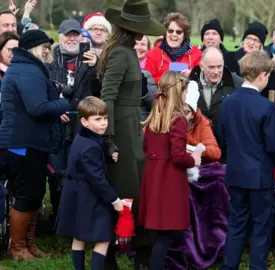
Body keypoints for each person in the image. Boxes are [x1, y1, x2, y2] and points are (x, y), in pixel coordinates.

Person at [99, 0, 165, 268]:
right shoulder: (120, 53)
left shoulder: (123, 50)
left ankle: (136, 252)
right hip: (122, 131)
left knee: (135, 190)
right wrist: (109, 137)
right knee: (128, 191)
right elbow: (108, 96)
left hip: (130, 126)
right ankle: (122, 253)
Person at [0, 29, 67, 260]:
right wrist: (62, 103)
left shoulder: (29, 68)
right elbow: (37, 108)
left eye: (49, 45)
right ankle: (17, 248)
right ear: (31, 48)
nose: (47, 49)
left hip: (31, 142)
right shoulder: (28, 70)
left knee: (36, 193)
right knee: (27, 194)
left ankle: (29, 245)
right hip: (23, 143)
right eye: (43, 46)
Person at [220, 50, 275, 269]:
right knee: (260, 226)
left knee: (236, 223)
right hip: (259, 175)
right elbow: (274, 145)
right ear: (263, 75)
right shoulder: (265, 106)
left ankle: (230, 266)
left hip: (235, 171)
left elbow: (223, 138)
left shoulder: (228, 103)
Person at [139, 71, 202, 269]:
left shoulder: (155, 116)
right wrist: (195, 159)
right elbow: (178, 154)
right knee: (166, 234)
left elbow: (147, 147)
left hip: (153, 175)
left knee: (158, 232)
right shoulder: (178, 120)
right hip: (169, 180)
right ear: (178, 93)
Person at [56, 96, 125, 270]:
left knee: (78, 237)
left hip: (75, 193)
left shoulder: (83, 139)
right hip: (89, 197)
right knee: (103, 237)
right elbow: (97, 179)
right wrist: (115, 201)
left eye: (105, 118)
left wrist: (106, 158)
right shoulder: (91, 146)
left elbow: (85, 164)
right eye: (98, 119)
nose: (103, 123)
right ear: (85, 122)